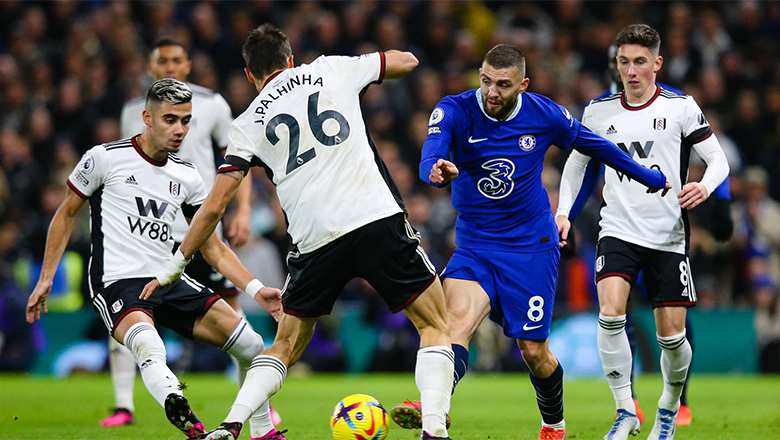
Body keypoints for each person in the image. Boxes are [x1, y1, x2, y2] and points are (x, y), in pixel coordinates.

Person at [144, 24, 455, 440]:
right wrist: (366, 69)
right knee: (434, 324)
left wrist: (176, 262)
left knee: (285, 346)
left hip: (314, 239)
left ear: (250, 74)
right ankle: (435, 432)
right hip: (374, 218)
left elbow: (215, 205)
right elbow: (407, 61)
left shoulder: (247, 123)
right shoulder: (330, 69)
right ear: (290, 59)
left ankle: (232, 424)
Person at [391, 44, 670, 440]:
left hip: (531, 247)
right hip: (475, 244)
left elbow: (595, 145)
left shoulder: (543, 114)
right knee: (453, 324)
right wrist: (433, 169)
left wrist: (647, 176)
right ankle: (434, 409)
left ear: (522, 84)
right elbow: (431, 149)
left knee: (533, 352)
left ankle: (553, 424)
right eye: (486, 80)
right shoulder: (454, 109)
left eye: (503, 85)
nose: (491, 91)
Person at [25, 79, 287, 440]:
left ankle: (261, 433)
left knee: (252, 345)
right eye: (170, 119)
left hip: (166, 277)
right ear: (146, 117)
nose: (180, 129)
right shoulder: (104, 157)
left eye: (186, 120)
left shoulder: (188, 176)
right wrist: (46, 278)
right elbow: (65, 214)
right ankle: (183, 413)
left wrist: (256, 289)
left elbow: (212, 246)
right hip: (117, 280)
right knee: (150, 344)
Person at [556, 24, 729, 440]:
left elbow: (719, 160)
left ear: (657, 63)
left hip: (668, 234)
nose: (630, 71)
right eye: (623, 62)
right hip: (617, 228)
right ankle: (624, 410)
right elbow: (577, 165)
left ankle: (668, 409)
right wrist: (562, 212)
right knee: (610, 312)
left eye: (639, 62)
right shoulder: (598, 111)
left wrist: (704, 186)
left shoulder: (682, 107)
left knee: (672, 337)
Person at [106, 38, 283, 430]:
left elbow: (238, 158)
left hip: (203, 222)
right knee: (125, 309)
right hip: (151, 230)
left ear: (188, 65)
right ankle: (122, 405)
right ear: (151, 67)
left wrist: (243, 210)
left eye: (176, 59)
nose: (169, 66)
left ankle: (256, 407)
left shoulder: (213, 104)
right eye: (162, 60)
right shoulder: (133, 112)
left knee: (234, 318)